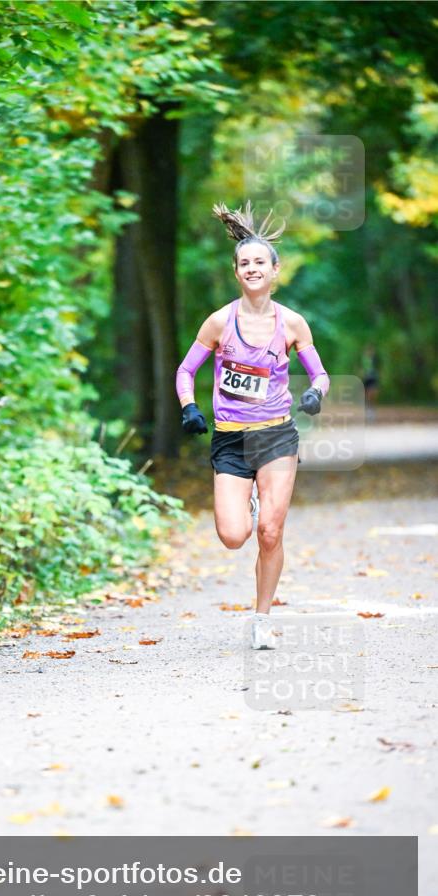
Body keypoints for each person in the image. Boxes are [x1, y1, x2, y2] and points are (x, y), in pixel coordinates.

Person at [175, 201, 330, 650]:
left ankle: (262, 618)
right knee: (233, 535)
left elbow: (319, 373)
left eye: (260, 262)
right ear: (236, 272)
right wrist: (189, 407)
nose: (252, 268)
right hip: (230, 438)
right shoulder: (220, 322)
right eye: (244, 263)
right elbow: (186, 371)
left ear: (275, 270)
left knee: (270, 532)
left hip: (277, 435)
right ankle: (253, 506)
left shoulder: (292, 323)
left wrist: (315, 393)